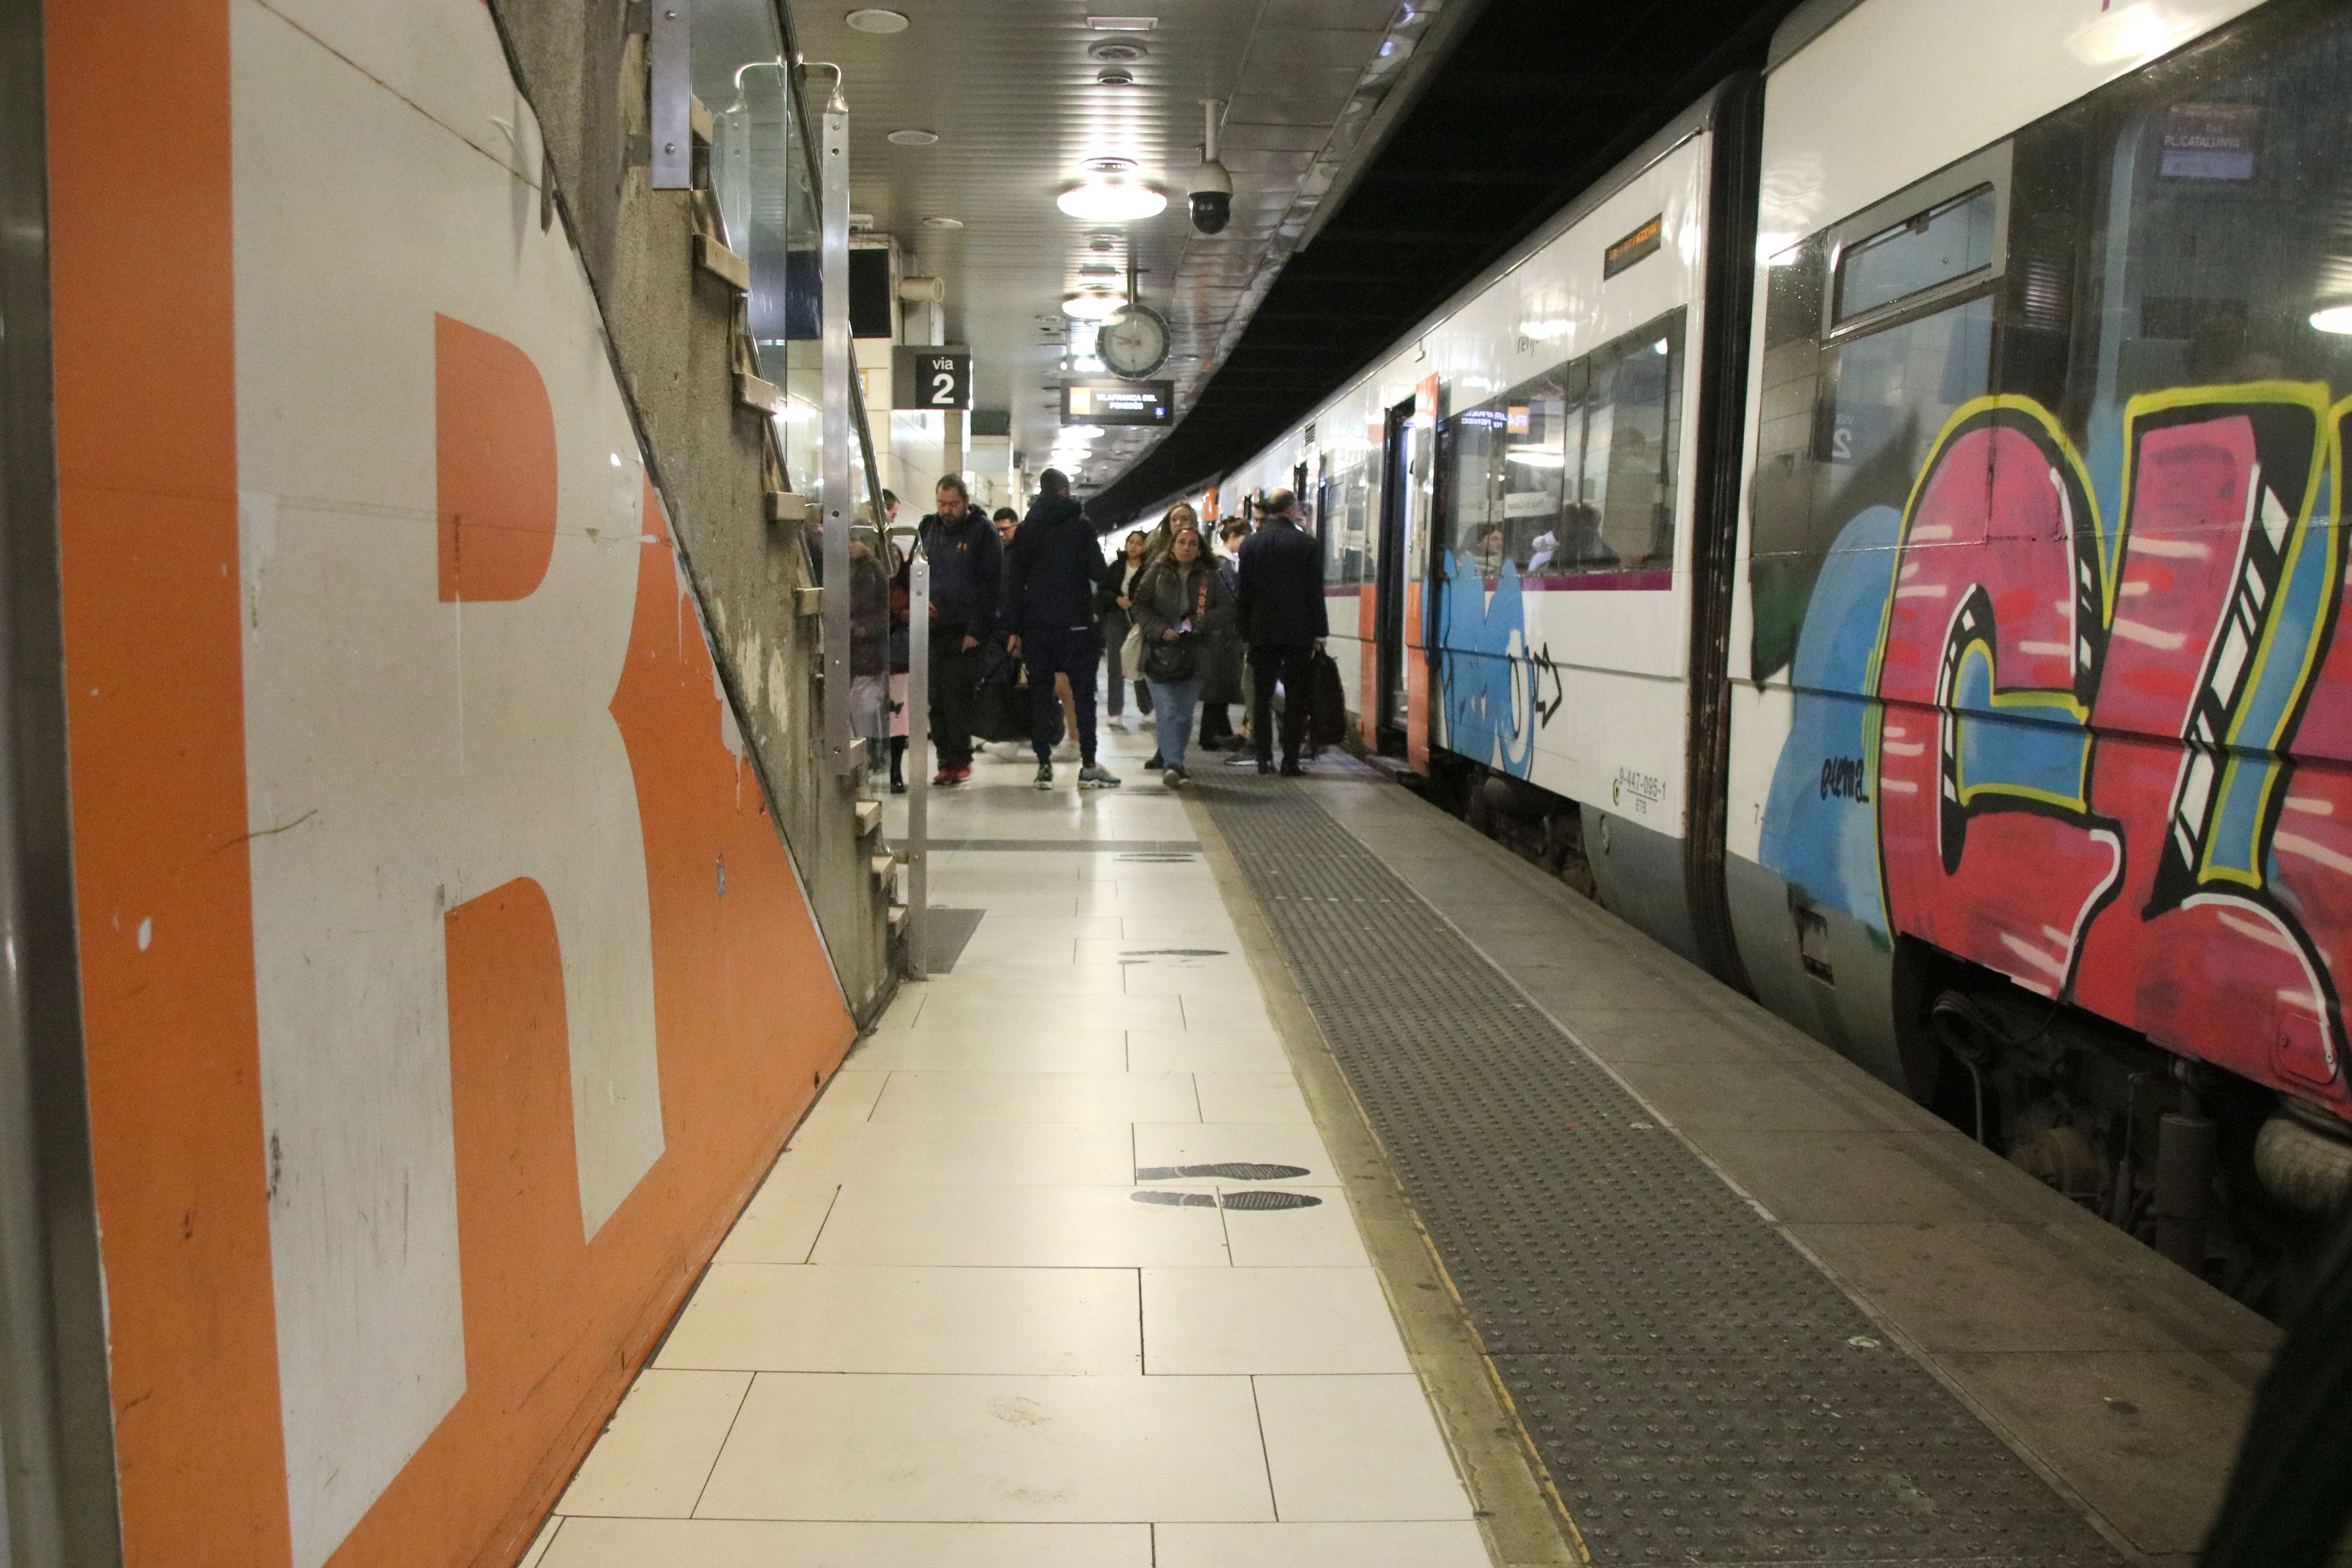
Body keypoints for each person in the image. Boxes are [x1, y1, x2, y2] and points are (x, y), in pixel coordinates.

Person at [1003, 469, 1119, 789]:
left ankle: (1043, 766)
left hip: (1037, 626)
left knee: (1041, 695)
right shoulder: (1081, 526)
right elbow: (1099, 571)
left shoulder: (1026, 530)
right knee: (1083, 695)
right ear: (1065, 491)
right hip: (1077, 625)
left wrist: (1014, 627)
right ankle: (1089, 765)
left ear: (1041, 492)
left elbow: (1013, 583)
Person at [1235, 488, 1327, 776]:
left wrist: (1245, 632)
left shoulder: (1250, 546)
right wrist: (1319, 632)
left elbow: (1244, 594)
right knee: (1296, 697)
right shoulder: (1307, 545)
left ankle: (1264, 759)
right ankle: (1290, 760)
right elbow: (1315, 593)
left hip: (1261, 633)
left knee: (1261, 699)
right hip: (1298, 634)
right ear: (1291, 509)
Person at [1131, 525, 1231, 787]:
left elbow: (1228, 609)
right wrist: (1160, 630)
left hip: (1195, 653)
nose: (1187, 547)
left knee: (1185, 715)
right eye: (1182, 542)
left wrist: (1199, 624)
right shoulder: (1157, 571)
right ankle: (1174, 764)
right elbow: (1140, 606)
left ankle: (1175, 760)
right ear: (1173, 546)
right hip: (1159, 653)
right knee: (1167, 712)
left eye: (1192, 544)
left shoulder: (1211, 576)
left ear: (1200, 550)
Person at [916, 476, 1000, 786]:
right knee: (935, 696)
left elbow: (992, 585)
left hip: (966, 630)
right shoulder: (928, 529)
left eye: (952, 504)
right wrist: (919, 602)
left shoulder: (983, 532)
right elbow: (916, 570)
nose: (946, 510)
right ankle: (943, 761)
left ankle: (960, 759)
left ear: (965, 502)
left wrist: (978, 629)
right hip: (934, 627)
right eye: (941, 504)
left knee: (957, 696)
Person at [845, 530, 895, 787]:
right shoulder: (854, 568)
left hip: (866, 650)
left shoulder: (869, 571)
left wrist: (862, 629)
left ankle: (869, 756)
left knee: (864, 707)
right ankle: (865, 756)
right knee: (859, 706)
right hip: (859, 648)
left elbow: (880, 611)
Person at [1197, 518, 1250, 751]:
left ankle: (1220, 731)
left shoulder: (1223, 562)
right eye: (1245, 538)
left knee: (1220, 687)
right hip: (1223, 635)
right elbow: (1233, 598)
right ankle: (1210, 735)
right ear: (1234, 537)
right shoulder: (1223, 564)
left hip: (1223, 635)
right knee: (1218, 686)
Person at [1098, 529, 1154, 732]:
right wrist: (1116, 599)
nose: (1134, 546)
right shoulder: (1116, 567)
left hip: (1138, 621)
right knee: (1116, 664)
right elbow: (1103, 591)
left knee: (1138, 663)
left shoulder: (1150, 569)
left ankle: (1147, 706)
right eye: (1131, 542)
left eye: (1139, 543)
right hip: (1116, 618)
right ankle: (1115, 712)